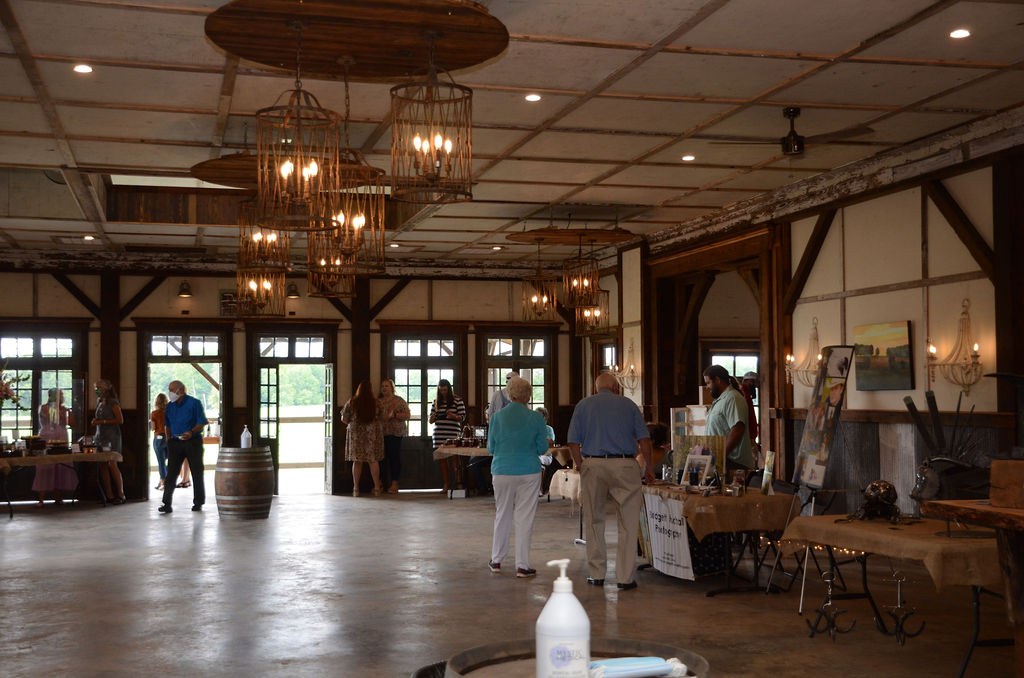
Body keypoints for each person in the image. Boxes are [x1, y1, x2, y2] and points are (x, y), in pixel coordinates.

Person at [567, 372, 654, 590]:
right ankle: (625, 577)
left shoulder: (583, 405)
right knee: (628, 522)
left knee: (594, 520)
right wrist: (649, 468)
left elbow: (573, 441)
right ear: (616, 388)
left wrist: (580, 464)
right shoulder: (629, 405)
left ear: (596, 388)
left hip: (593, 463)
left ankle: (597, 574)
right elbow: (644, 439)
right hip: (625, 464)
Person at [487, 377, 548, 578]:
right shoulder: (536, 418)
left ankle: (496, 560)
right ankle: (522, 565)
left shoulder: (497, 418)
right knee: (524, 517)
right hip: (529, 471)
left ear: (509, 394)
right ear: (528, 396)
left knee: (502, 513)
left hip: (502, 470)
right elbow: (542, 448)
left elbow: (491, 448)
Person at [159, 380, 208, 514]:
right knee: (171, 473)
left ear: (180, 390)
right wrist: (169, 440)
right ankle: (166, 503)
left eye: (172, 390)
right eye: (169, 390)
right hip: (175, 443)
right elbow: (167, 425)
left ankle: (198, 502)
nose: (170, 392)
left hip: (192, 442)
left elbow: (202, 422)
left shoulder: (194, 403)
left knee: (197, 472)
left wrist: (191, 432)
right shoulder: (169, 406)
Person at [703, 365, 754, 470]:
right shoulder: (720, 400)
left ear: (717, 380)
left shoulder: (733, 398)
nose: (707, 387)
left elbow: (737, 430)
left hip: (733, 463)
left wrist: (720, 457)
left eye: (708, 383)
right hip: (723, 461)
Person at [33, 388, 76, 505]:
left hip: (62, 436)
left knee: (60, 466)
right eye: (60, 395)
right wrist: (59, 410)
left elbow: (72, 424)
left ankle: (58, 497)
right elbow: (53, 419)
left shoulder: (64, 409)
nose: (62, 397)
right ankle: (41, 499)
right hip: (48, 437)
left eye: (62, 395)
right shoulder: (43, 407)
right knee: (45, 466)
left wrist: (69, 413)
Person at [342, 380, 385, 497]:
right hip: (372, 434)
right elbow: (382, 417)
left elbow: (344, 419)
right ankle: (377, 488)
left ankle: (356, 489)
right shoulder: (377, 402)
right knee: (373, 460)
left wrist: (353, 422)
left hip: (356, 434)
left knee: (357, 461)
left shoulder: (352, 401)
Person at [91, 379, 126, 504]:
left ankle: (121, 494)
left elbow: (120, 420)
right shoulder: (99, 401)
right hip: (100, 436)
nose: (97, 390)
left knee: (112, 463)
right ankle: (109, 494)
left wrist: (102, 422)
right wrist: (95, 421)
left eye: (99, 387)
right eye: (95, 388)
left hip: (112, 437)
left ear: (106, 388)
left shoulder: (113, 402)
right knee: (102, 464)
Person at [428, 379, 466, 493]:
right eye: (441, 390)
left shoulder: (457, 400)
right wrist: (433, 417)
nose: (443, 392)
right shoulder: (436, 402)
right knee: (442, 460)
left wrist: (453, 416)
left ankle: (458, 483)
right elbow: (430, 420)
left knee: (454, 459)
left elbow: (462, 417)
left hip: (453, 434)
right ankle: (446, 484)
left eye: (445, 390)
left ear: (449, 389)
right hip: (439, 434)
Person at [378, 379, 410, 494]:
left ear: (392, 388)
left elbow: (407, 415)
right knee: (381, 459)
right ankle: (381, 483)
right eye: (382, 386)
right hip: (381, 433)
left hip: (396, 433)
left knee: (394, 457)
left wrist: (395, 415)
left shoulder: (399, 400)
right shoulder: (378, 402)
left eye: (386, 386)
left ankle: (395, 483)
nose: (384, 388)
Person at [150, 393, 169, 491]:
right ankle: (163, 480)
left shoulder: (154, 413)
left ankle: (164, 481)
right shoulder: (170, 412)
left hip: (158, 438)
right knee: (168, 460)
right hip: (169, 438)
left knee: (161, 462)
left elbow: (153, 428)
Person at [740, 371, 760, 445]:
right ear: (745, 381)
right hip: (747, 432)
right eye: (752, 382)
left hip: (749, 432)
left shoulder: (747, 393)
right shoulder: (743, 392)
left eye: (754, 382)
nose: (753, 385)